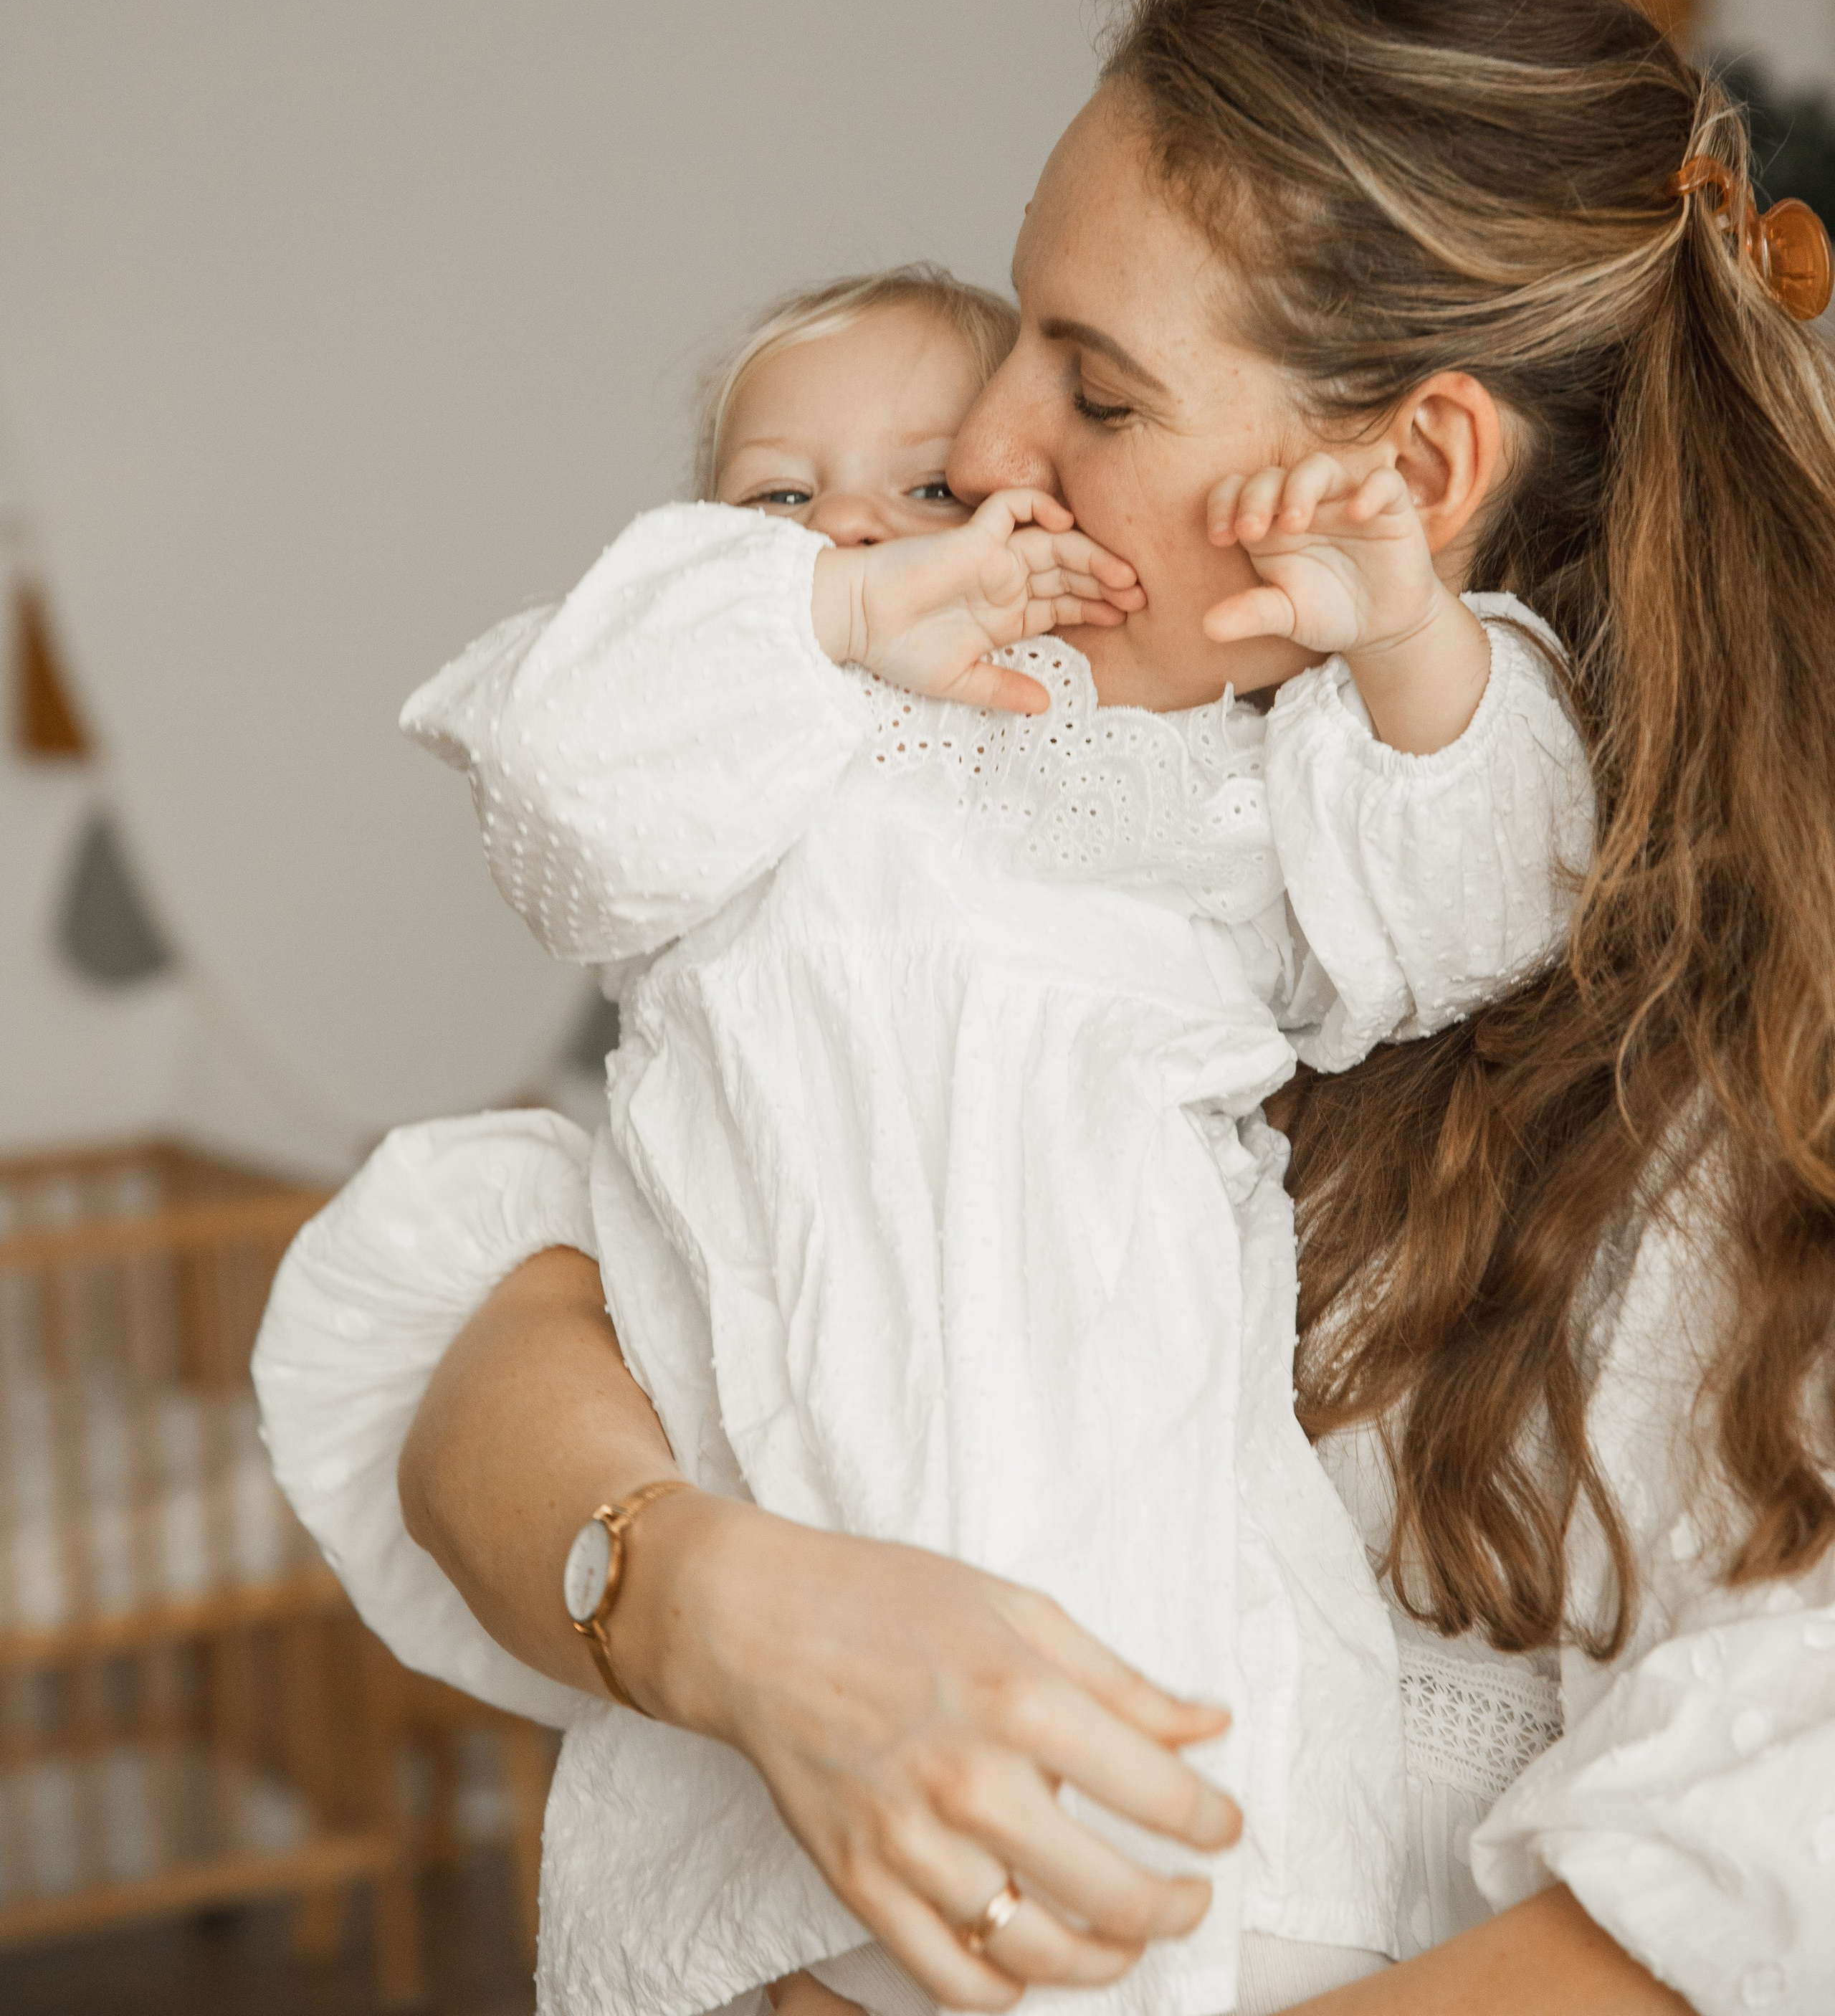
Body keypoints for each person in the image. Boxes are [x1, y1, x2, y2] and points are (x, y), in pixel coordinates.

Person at [255, 0, 1835, 2016]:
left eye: (1092, 389)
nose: (981, 458)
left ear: (1416, 474)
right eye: (1016, 336)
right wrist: (721, 1602)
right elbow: (506, 1318)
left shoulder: (1662, 1069)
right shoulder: (990, 808)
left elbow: (1757, 1855)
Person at [376, 252, 1586, 2016]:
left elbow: (1474, 911)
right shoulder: (730, 768)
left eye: (933, 489)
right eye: (775, 499)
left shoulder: (1164, 757)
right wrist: (833, 628)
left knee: (1204, 1867)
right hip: (806, 1511)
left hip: (1142, 1507)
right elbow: (552, 778)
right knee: (811, 1911)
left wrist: (1399, 643)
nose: (854, 527)